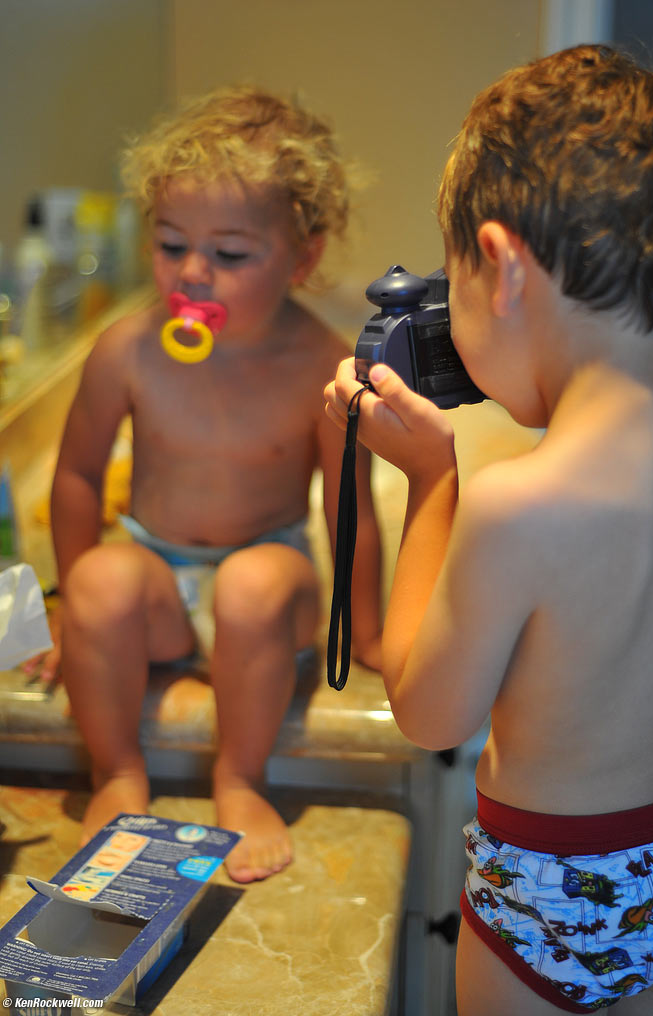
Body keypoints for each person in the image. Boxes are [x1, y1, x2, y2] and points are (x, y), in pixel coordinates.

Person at [325, 44, 653, 1014]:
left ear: (499, 266)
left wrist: (431, 479)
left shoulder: (515, 504)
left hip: (559, 880)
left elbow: (430, 713)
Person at [44, 85, 382, 883]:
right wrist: (67, 609)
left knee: (254, 587)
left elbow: (350, 512)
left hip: (266, 583)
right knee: (101, 581)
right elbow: (76, 478)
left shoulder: (322, 367)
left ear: (302, 257)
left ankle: (240, 777)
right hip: (157, 586)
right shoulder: (127, 350)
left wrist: (365, 634)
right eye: (170, 245)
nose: (194, 273)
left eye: (230, 255)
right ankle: (117, 772)